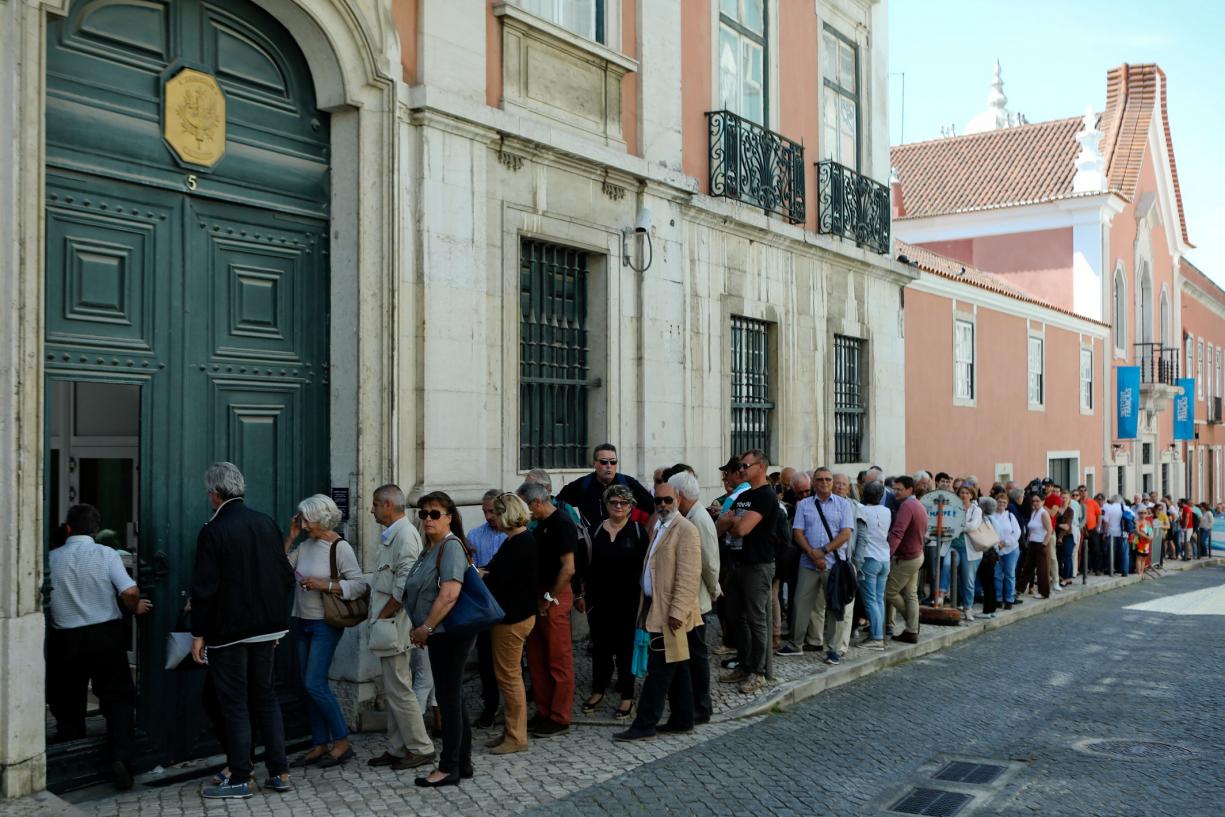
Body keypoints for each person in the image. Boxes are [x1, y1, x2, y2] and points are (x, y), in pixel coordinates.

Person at [190, 463, 294, 799]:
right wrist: (277, 624)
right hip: (266, 628)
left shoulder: (213, 530)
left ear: (215, 494)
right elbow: (284, 575)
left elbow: (205, 588)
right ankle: (279, 772)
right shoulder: (265, 522)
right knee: (265, 697)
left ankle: (240, 777)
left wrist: (198, 633)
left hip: (230, 631)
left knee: (234, 703)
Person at [46, 504, 152, 790]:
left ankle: (70, 757)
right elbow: (130, 591)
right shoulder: (106, 554)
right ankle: (121, 757)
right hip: (105, 635)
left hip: (66, 638)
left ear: (68, 528)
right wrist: (134, 608)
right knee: (118, 698)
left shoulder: (52, 558)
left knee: (68, 699)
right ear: (95, 530)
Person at [613, 482, 702, 741]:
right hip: (656, 607)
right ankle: (683, 718)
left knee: (660, 670)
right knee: (678, 666)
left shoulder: (686, 530)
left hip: (671, 613)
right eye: (658, 501)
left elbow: (689, 575)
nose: (663, 505)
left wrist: (677, 612)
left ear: (678, 499)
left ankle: (645, 724)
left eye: (667, 500)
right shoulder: (659, 527)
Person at [284, 494, 366, 769]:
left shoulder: (340, 548)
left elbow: (359, 585)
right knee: (309, 686)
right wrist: (290, 537)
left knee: (314, 683)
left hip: (325, 624)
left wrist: (326, 585)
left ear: (323, 519)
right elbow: (279, 568)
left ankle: (341, 741)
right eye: (302, 520)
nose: (304, 525)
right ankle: (319, 743)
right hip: (302, 620)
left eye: (307, 520)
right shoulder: (305, 545)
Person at [404, 491, 475, 787]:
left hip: (449, 634)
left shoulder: (451, 546)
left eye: (434, 513)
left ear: (449, 517)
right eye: (423, 513)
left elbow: (449, 594)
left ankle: (448, 767)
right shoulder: (429, 548)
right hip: (439, 633)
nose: (428, 519)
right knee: (452, 696)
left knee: (447, 699)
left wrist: (427, 627)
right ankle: (463, 763)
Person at [365, 484, 435, 771]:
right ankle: (397, 747)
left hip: (394, 624)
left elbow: (404, 588)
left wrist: (382, 616)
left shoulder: (404, 537)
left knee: (400, 689)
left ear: (387, 505)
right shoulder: (395, 535)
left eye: (374, 504)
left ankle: (421, 747)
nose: (371, 510)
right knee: (395, 688)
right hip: (390, 623)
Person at [576, 484, 648, 720]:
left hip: (628, 601)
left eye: (624, 502)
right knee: (600, 648)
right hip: (599, 600)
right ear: (606, 505)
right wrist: (580, 595)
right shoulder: (595, 530)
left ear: (630, 506)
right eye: (614, 502)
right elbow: (583, 565)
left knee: (626, 649)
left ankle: (627, 695)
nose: (619, 506)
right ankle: (598, 690)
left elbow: (647, 568)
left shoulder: (638, 531)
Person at [517, 480, 578, 738]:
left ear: (537, 503)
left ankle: (560, 716)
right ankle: (543, 710)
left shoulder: (562, 523)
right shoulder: (540, 525)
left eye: (525, 507)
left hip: (554, 595)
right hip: (539, 594)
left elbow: (569, 568)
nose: (524, 513)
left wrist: (550, 597)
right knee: (537, 658)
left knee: (558, 657)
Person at [717, 450, 781, 693]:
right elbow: (720, 526)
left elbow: (741, 528)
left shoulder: (766, 495)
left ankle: (758, 671)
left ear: (761, 467)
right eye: (741, 466)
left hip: (757, 564)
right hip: (736, 562)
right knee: (735, 616)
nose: (741, 469)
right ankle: (744, 664)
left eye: (746, 465)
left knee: (756, 619)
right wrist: (730, 521)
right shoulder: (743, 495)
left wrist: (732, 521)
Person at [479, 493, 539, 754]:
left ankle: (516, 737)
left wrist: (481, 574)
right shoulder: (517, 540)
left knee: (509, 677)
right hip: (516, 615)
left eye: (495, 512)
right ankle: (510, 731)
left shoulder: (520, 543)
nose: (492, 517)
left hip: (512, 619)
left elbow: (498, 578)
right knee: (508, 676)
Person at [778, 467, 854, 664]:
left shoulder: (843, 505)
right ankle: (796, 644)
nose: (824, 483)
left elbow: (846, 533)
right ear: (814, 482)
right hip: (808, 562)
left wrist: (823, 551)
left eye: (828, 479)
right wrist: (812, 553)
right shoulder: (804, 504)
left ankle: (833, 649)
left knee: (835, 607)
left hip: (834, 564)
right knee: (800, 604)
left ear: (832, 482)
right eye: (820, 479)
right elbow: (798, 533)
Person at [669, 470, 720, 724]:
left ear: (679, 495)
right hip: (692, 598)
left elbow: (709, 561)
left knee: (697, 655)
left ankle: (701, 706)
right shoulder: (691, 516)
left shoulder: (698, 519)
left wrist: (714, 589)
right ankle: (692, 703)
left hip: (696, 599)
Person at [468, 489, 508, 728]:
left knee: (509, 660)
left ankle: (512, 706)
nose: (488, 516)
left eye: (492, 511)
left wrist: (486, 572)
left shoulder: (511, 536)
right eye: (485, 511)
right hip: (483, 606)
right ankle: (490, 705)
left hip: (506, 605)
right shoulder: (475, 535)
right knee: (485, 658)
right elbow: (471, 570)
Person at [556, 444, 653, 533]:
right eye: (604, 462)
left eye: (613, 462)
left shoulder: (628, 483)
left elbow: (653, 507)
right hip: (592, 539)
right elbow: (558, 504)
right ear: (594, 463)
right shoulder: (582, 484)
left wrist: (648, 532)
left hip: (624, 538)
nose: (609, 466)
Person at [885, 476, 926, 644]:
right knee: (910, 594)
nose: (895, 492)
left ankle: (913, 623)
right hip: (916, 555)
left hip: (907, 557)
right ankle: (912, 630)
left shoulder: (907, 506)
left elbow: (897, 532)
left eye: (899, 489)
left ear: (909, 490)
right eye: (894, 489)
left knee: (889, 592)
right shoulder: (917, 504)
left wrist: (887, 554)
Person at [852, 482, 891, 650]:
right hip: (884, 557)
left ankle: (876, 637)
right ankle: (879, 634)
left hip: (869, 557)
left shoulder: (861, 510)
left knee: (870, 600)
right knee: (878, 599)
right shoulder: (887, 511)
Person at [948, 484, 983, 621]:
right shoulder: (953, 508)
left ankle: (968, 608)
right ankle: (943, 596)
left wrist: (957, 525)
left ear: (971, 495)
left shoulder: (976, 510)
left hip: (969, 549)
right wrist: (962, 525)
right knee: (947, 569)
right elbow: (948, 523)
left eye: (967, 493)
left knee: (968, 581)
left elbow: (973, 526)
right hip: (953, 546)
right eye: (961, 492)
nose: (964, 495)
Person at [988, 490, 1023, 610]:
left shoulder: (1010, 516)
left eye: (1004, 502)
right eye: (999, 502)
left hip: (1011, 549)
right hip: (995, 549)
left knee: (1009, 574)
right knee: (997, 575)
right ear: (995, 503)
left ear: (1007, 504)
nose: (1001, 504)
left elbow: (1017, 532)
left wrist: (1006, 543)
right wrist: (996, 544)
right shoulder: (991, 516)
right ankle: (998, 598)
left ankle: (1009, 599)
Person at [1017, 492, 1053, 599]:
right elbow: (1031, 529)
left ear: (1043, 501)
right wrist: (1028, 541)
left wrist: (1044, 544)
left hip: (1041, 544)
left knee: (1042, 570)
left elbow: (1049, 530)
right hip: (1032, 544)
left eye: (1038, 501)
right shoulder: (1033, 513)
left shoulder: (1044, 513)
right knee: (1027, 567)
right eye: (1033, 501)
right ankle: (1019, 589)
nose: (1035, 503)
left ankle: (1044, 593)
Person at [974, 497, 1000, 619]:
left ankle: (987, 610)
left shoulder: (985, 520)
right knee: (989, 582)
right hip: (992, 553)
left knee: (987, 582)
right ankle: (991, 609)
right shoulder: (992, 519)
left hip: (986, 553)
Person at [1103, 494, 1125, 575]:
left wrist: (1105, 533)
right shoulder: (1124, 507)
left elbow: (1106, 522)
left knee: (1111, 551)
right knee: (1121, 551)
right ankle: (1120, 568)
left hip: (1111, 532)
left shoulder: (1109, 508)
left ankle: (1110, 568)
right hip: (1122, 532)